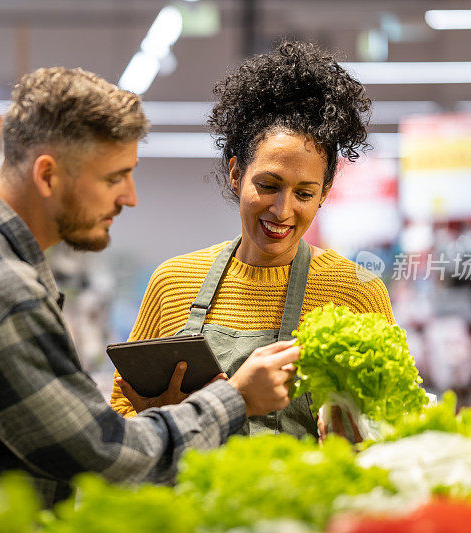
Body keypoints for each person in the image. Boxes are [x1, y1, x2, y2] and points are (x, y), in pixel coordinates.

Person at [0, 66, 300, 507]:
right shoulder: (7, 294)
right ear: (47, 174)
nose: (129, 198)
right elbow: (109, 459)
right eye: (115, 178)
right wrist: (235, 398)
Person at [110, 41, 393, 438]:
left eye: (305, 193)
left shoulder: (356, 292)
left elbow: (390, 432)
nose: (282, 210)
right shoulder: (173, 283)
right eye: (268, 185)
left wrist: (358, 437)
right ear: (235, 173)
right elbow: (121, 416)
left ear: (325, 193)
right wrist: (166, 422)